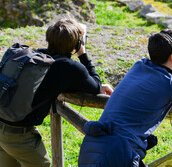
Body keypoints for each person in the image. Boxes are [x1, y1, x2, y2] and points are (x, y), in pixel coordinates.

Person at [78, 29, 172, 167]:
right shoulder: (171, 83)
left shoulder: (139, 66)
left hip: (94, 149)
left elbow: (149, 99)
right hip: (119, 155)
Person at [0, 18, 113, 167]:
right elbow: (95, 85)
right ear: (77, 43)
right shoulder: (69, 68)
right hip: (19, 136)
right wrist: (82, 53)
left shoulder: (38, 57)